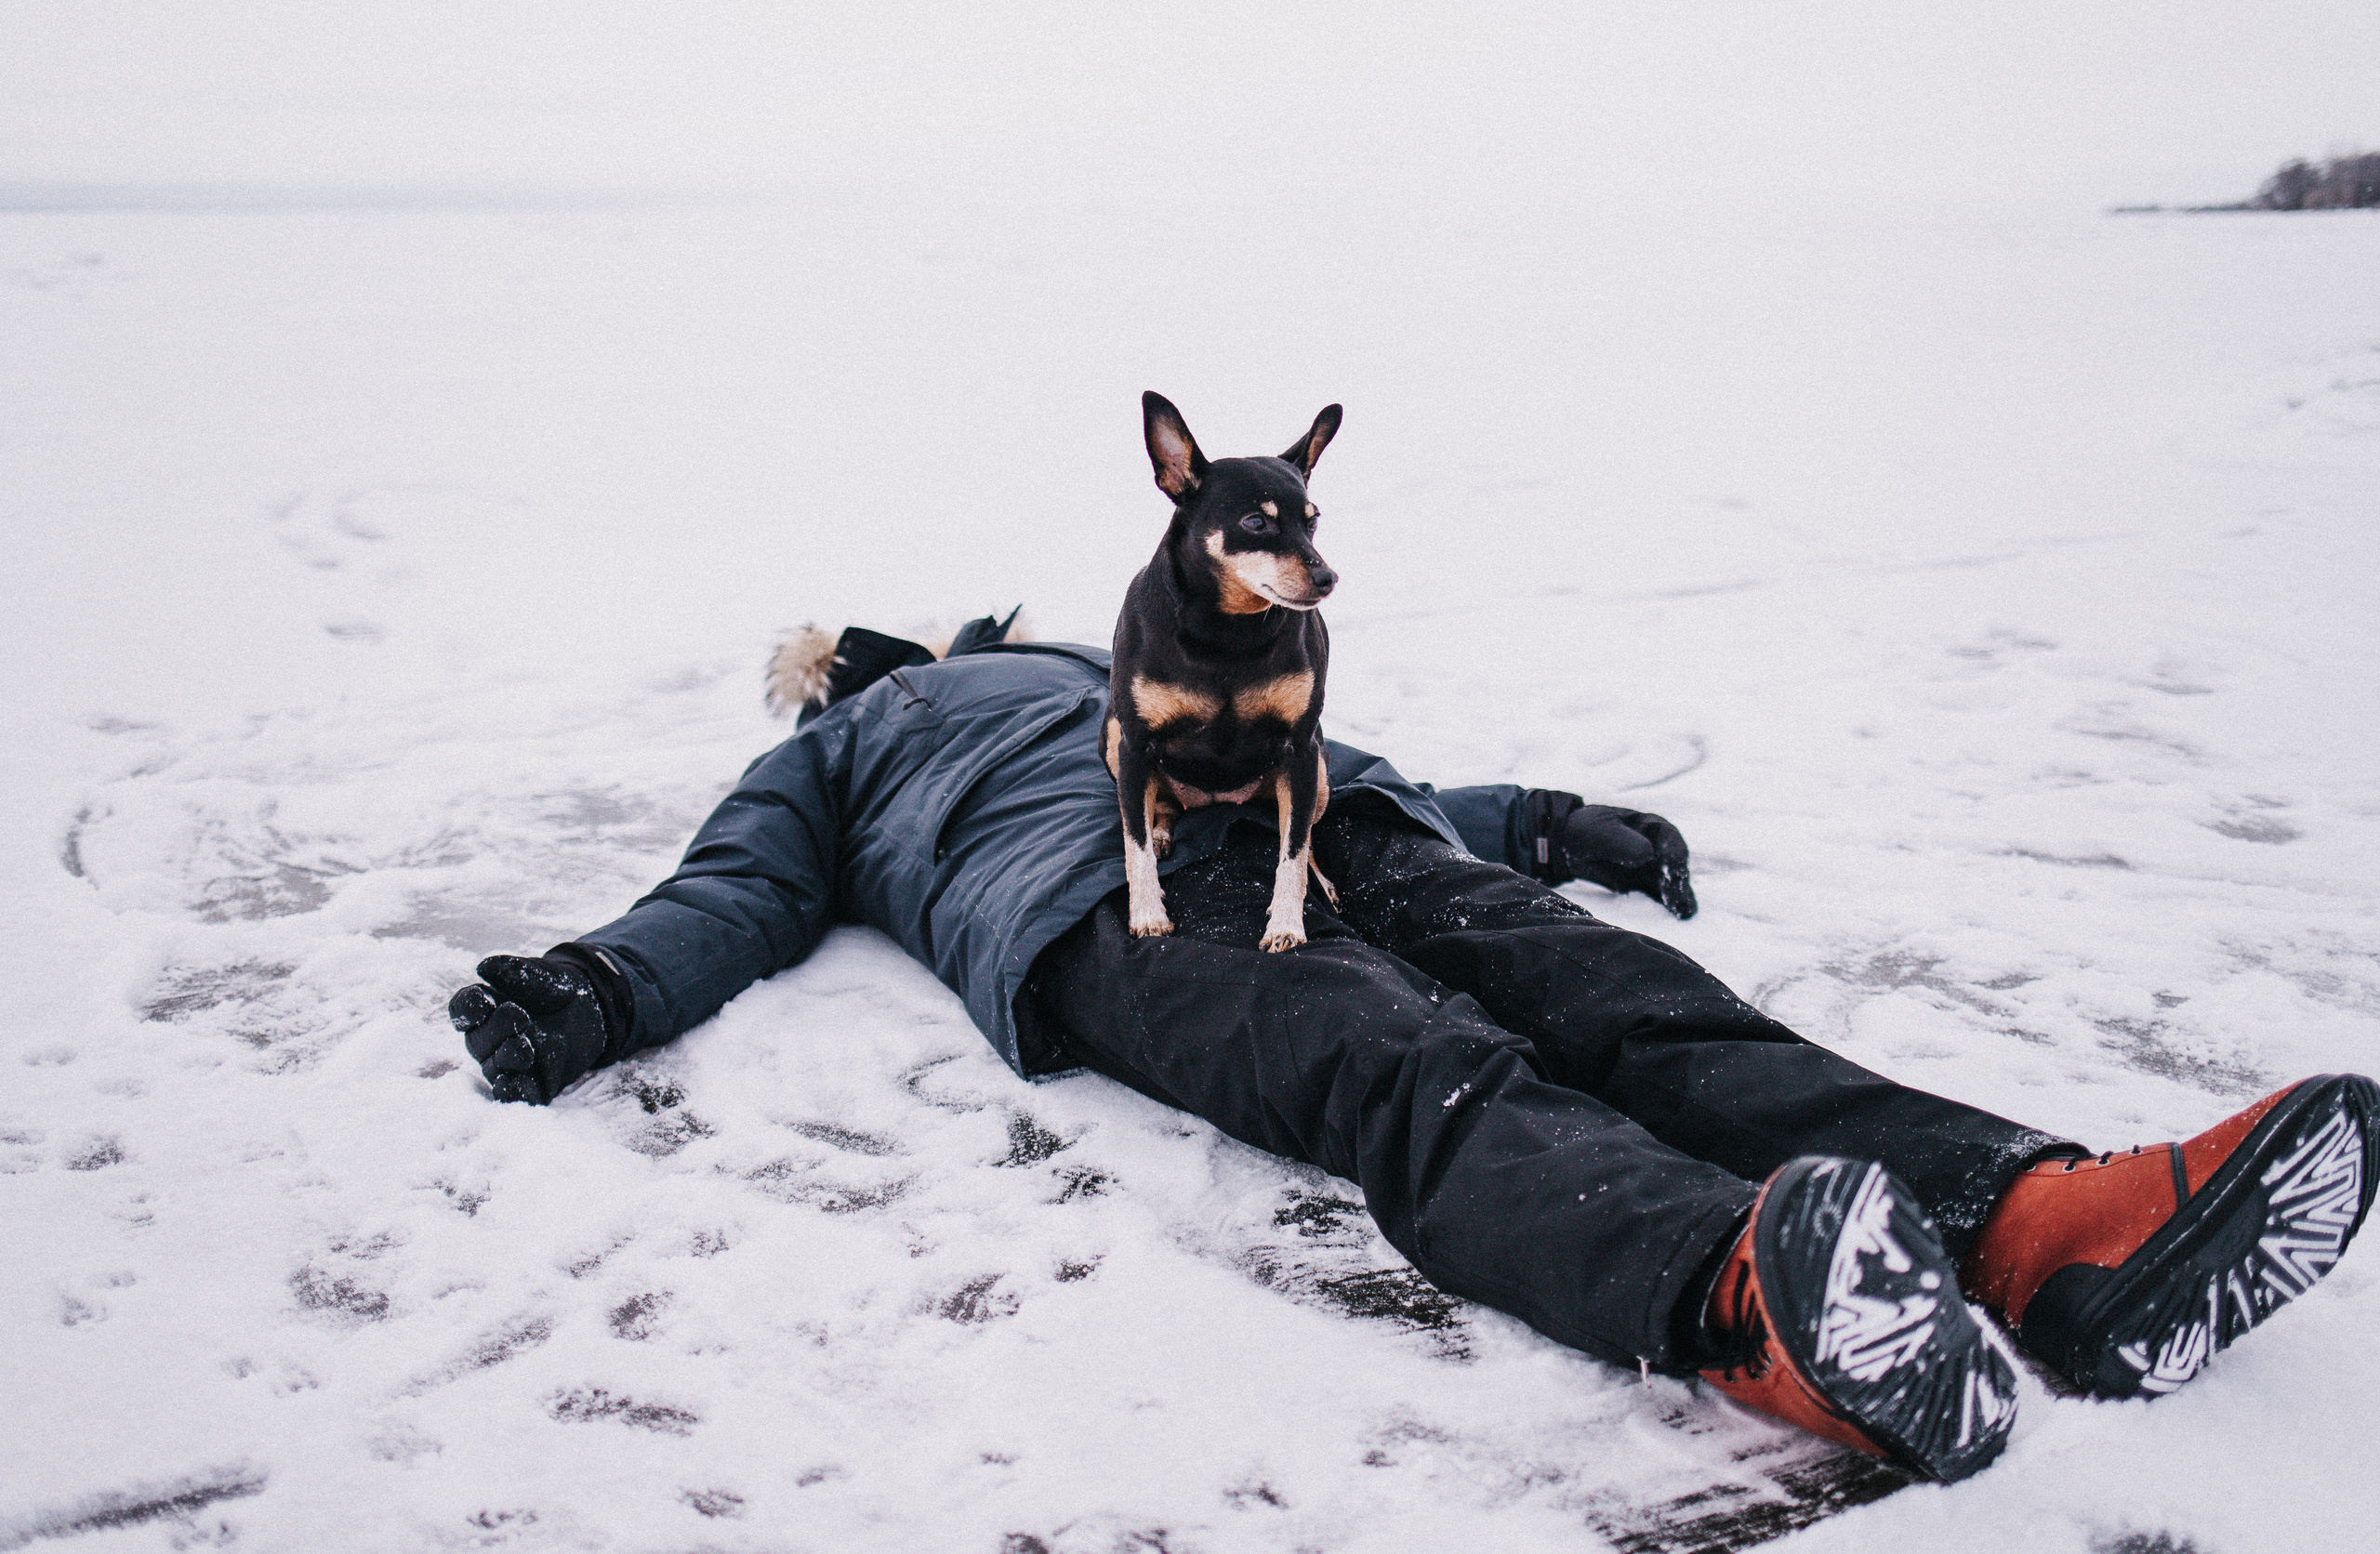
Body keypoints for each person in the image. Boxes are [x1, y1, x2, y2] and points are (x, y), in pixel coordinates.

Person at [450, 617, 2379, 1483]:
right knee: (1411, 1072)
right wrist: (605, 986)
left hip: (1331, 822)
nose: (887, 663)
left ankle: (2047, 1233)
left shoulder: (1073, 662)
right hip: (1108, 906)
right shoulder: (839, 754)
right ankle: (1751, 1311)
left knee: (1639, 1007)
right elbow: (734, 888)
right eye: (854, 661)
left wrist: (1536, 814)